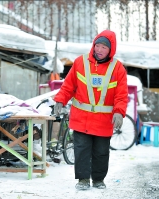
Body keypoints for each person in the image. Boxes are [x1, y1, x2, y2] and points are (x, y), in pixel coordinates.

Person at [53, 30, 128, 190]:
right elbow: (68, 86)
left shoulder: (118, 68)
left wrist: (119, 112)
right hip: (82, 118)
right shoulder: (80, 62)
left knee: (101, 152)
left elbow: (121, 95)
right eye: (97, 46)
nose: (99, 50)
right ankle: (83, 180)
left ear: (111, 50)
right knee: (82, 150)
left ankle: (98, 180)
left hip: (104, 121)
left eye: (104, 48)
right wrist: (60, 100)